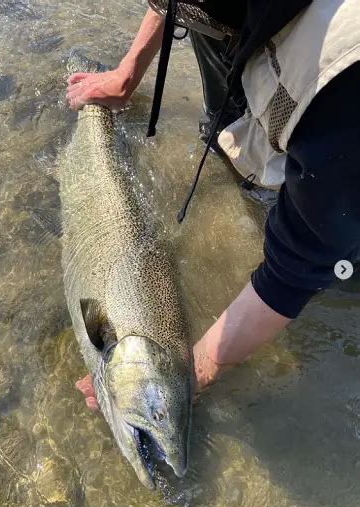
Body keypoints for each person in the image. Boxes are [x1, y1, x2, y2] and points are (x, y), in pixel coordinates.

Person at [66, 1, 360, 411]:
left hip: (340, 94)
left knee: (340, 267)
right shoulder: (221, 7)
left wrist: (193, 373)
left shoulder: (344, 97)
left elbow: (292, 274)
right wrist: (127, 72)